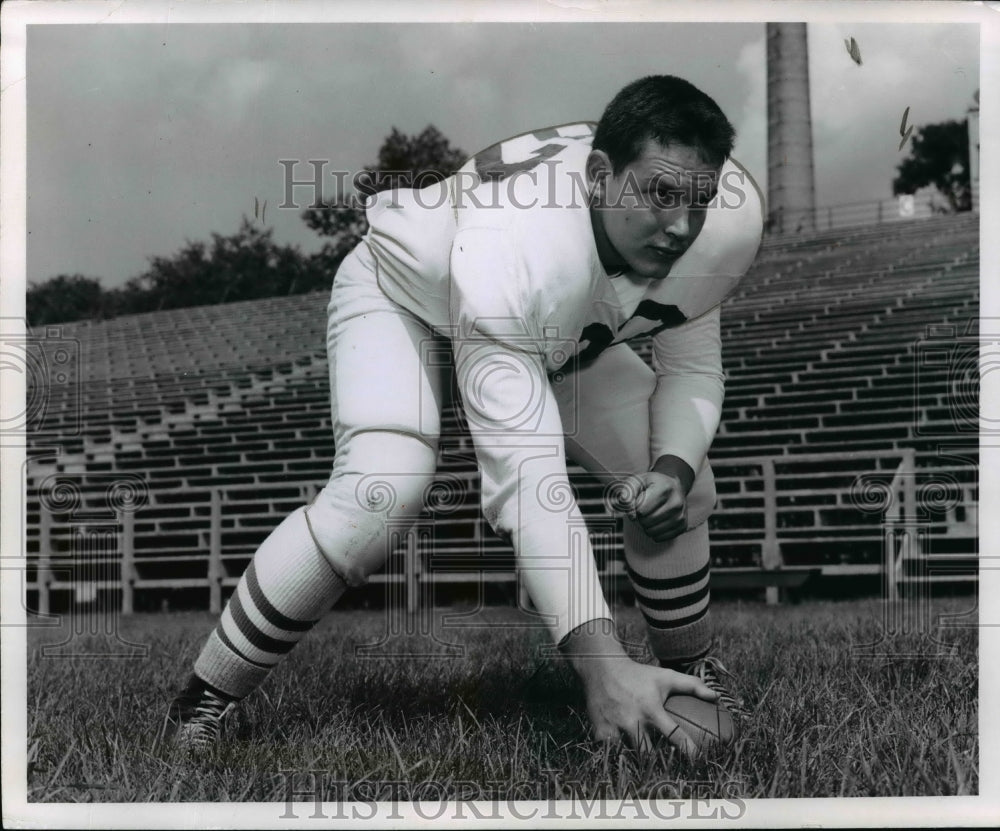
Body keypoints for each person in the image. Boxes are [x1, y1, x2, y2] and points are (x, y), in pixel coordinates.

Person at [163, 75, 763, 755]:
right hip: (409, 296)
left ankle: (690, 672)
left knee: (683, 479)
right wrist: (601, 666)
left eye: (699, 200)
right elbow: (529, 481)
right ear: (600, 176)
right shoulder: (519, 247)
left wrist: (673, 466)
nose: (684, 225)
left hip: (558, 330)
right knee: (378, 493)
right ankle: (205, 697)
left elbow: (691, 366)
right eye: (660, 194)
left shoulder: (719, 223)